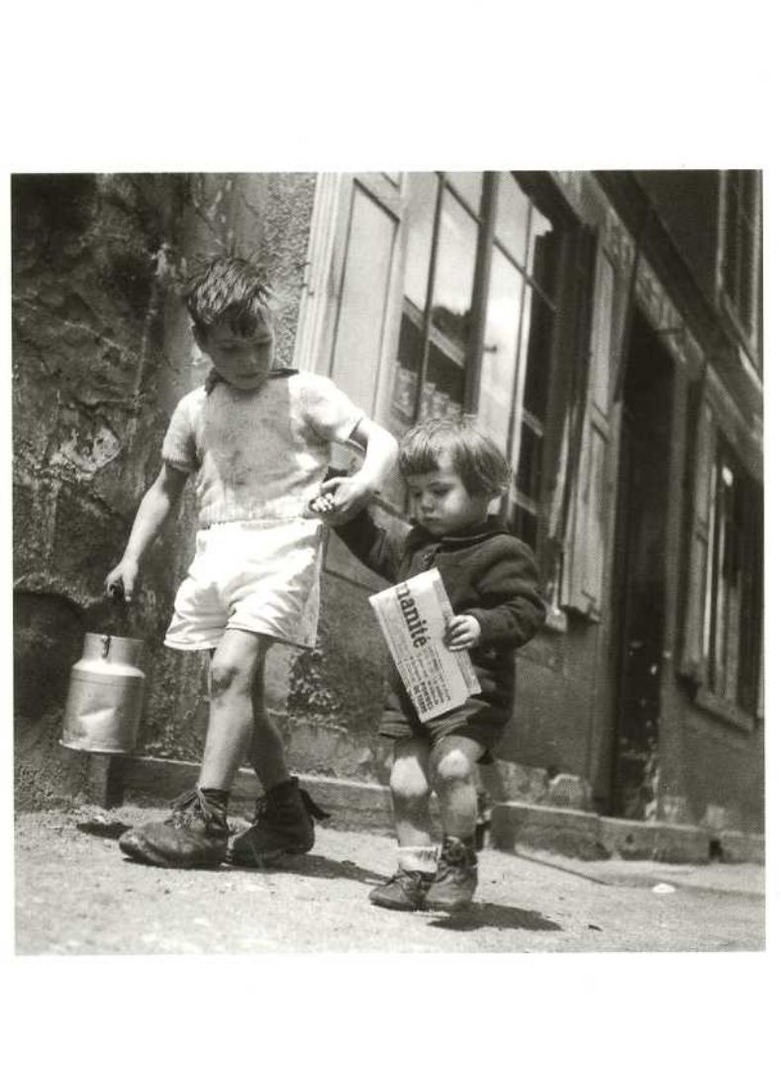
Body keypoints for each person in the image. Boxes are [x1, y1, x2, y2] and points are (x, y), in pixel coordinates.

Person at [106, 255, 398, 869]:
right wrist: (132, 556)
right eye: (233, 349)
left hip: (285, 547)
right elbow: (165, 488)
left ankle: (205, 821)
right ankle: (287, 814)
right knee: (240, 694)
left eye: (261, 342)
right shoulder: (194, 409)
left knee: (230, 672)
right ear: (203, 344)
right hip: (219, 551)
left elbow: (384, 443)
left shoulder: (304, 392)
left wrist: (361, 486)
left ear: (273, 327)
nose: (251, 360)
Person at [312, 417, 546, 911]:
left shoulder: (503, 552)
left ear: (485, 491)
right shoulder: (414, 545)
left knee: (455, 765)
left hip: (471, 691)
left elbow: (526, 612)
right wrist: (345, 514)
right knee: (405, 781)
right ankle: (414, 870)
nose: (425, 504)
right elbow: (377, 546)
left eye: (439, 491)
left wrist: (483, 624)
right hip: (414, 686)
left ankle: (458, 863)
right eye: (416, 493)